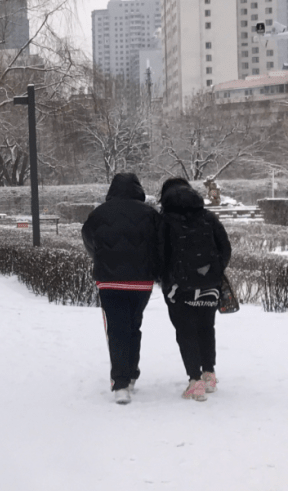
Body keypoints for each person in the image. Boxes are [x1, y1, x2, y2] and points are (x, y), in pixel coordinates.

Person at [81, 173, 161, 405]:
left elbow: (88, 239)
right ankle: (132, 374)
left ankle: (120, 384)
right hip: (141, 281)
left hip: (109, 281)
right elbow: (160, 244)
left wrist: (102, 259)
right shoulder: (150, 214)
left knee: (116, 330)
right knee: (134, 326)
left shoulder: (99, 213)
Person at [158, 177, 232, 402]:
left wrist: (167, 280)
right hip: (209, 285)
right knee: (206, 327)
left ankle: (194, 380)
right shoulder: (208, 218)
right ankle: (209, 374)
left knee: (186, 331)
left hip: (179, 288)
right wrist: (214, 271)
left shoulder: (164, 221)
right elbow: (225, 248)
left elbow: (159, 255)